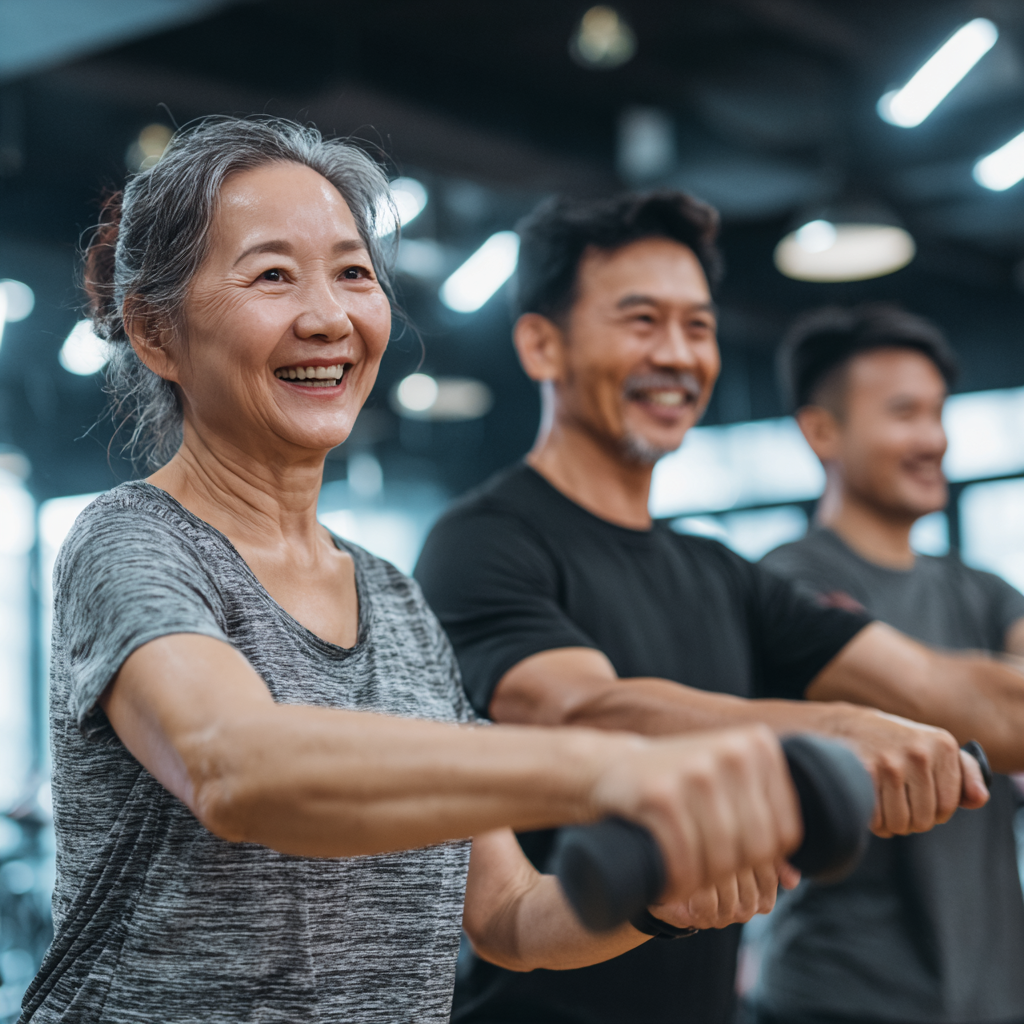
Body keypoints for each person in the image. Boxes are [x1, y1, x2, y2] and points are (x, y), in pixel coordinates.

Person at [21, 120, 812, 1024]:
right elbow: (235, 767)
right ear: (156, 332)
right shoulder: (133, 541)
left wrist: (656, 898)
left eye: (354, 273)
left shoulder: (394, 600)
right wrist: (607, 767)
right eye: (273, 276)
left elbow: (508, 915)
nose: (329, 317)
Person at [414, 192, 1019, 1024]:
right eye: (642, 321)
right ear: (542, 343)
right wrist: (834, 730)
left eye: (697, 326)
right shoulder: (483, 541)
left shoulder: (721, 572)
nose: (677, 354)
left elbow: (944, 690)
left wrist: (906, 728)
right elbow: (577, 708)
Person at [750, 304, 1024, 1024]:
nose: (933, 439)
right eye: (904, 413)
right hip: (840, 997)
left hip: (992, 995)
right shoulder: (785, 587)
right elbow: (1005, 711)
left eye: (938, 413)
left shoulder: (983, 591)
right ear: (822, 431)